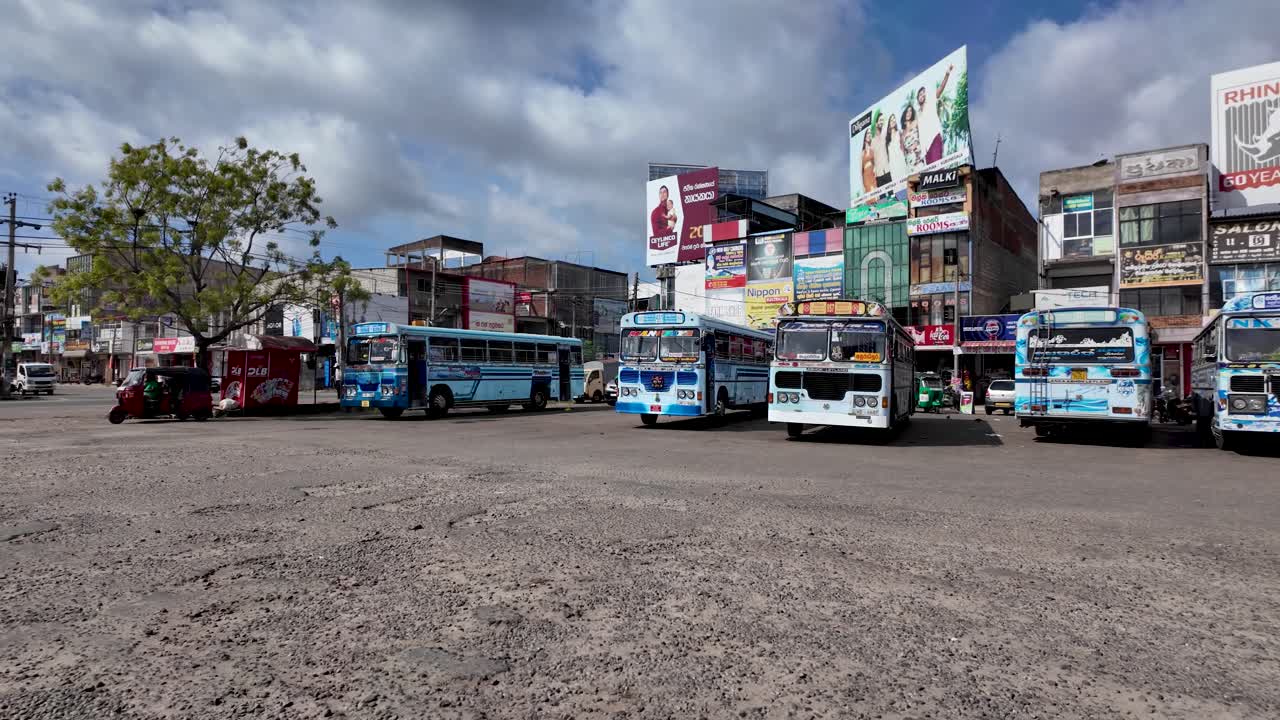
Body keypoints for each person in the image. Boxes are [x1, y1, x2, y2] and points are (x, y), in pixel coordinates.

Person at [916, 63, 954, 165]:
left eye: (924, 93)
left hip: (934, 138)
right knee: (930, 175)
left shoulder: (931, 101)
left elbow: (941, 88)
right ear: (917, 98)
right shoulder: (918, 114)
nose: (922, 95)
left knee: (937, 169)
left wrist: (947, 73)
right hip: (925, 148)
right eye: (920, 94)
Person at [886, 113, 909, 183]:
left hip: (901, 162)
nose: (893, 121)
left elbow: (905, 147)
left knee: (906, 183)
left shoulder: (899, 133)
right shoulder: (887, 139)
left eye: (894, 119)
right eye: (891, 120)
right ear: (888, 123)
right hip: (892, 165)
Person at [870, 112, 891, 187]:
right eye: (880, 120)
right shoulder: (872, 141)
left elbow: (887, 119)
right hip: (879, 175)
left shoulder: (884, 134)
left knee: (892, 194)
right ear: (875, 123)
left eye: (883, 120)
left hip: (888, 171)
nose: (882, 122)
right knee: (884, 198)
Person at [900, 105, 923, 171]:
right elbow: (903, 150)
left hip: (918, 156)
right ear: (904, 114)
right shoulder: (902, 133)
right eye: (907, 111)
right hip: (909, 160)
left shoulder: (915, 122)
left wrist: (915, 145)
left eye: (910, 111)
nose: (909, 113)